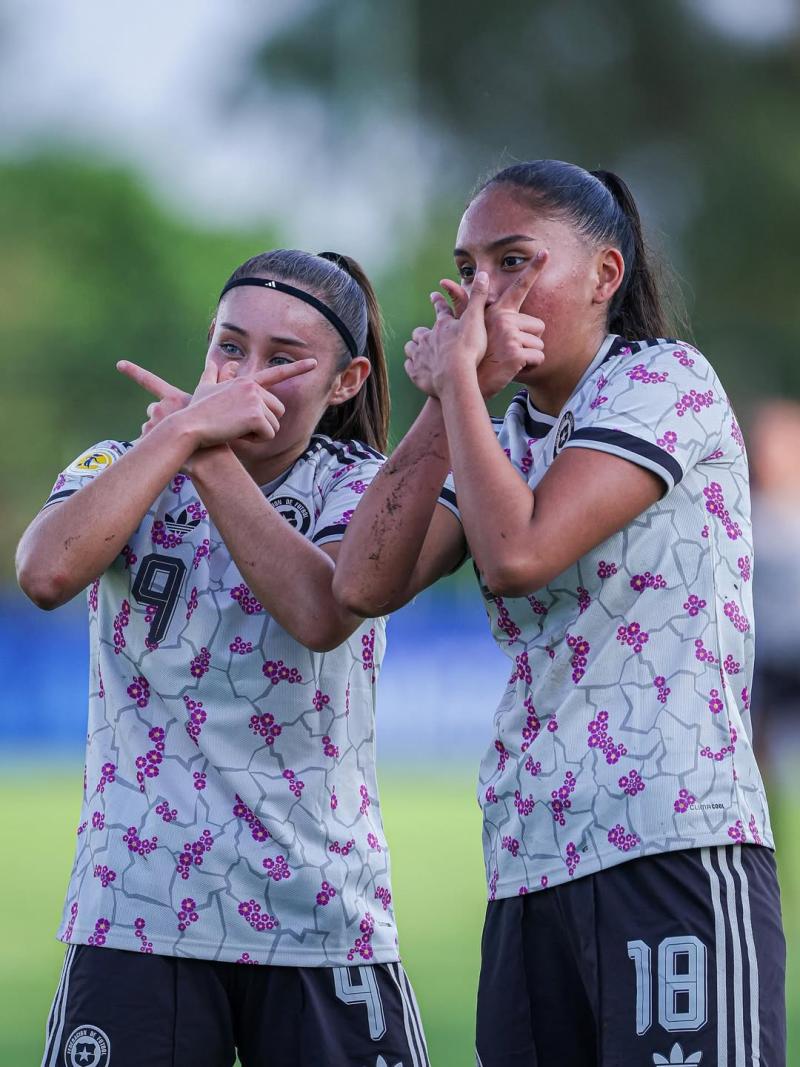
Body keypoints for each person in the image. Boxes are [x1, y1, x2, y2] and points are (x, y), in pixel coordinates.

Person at [333, 161, 786, 1065]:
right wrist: (447, 402)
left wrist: (460, 382)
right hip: (529, 852)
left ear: (605, 276)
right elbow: (362, 582)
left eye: (514, 262)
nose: (484, 294)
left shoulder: (667, 385)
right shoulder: (500, 434)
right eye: (470, 270)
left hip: (671, 840)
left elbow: (520, 554)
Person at [16, 249, 431, 1067]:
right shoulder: (119, 467)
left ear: (345, 382)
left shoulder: (363, 486)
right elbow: (44, 571)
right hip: (136, 909)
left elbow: (321, 611)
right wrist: (179, 439)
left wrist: (204, 453)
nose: (244, 375)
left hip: (317, 914)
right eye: (230, 347)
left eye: (283, 360)